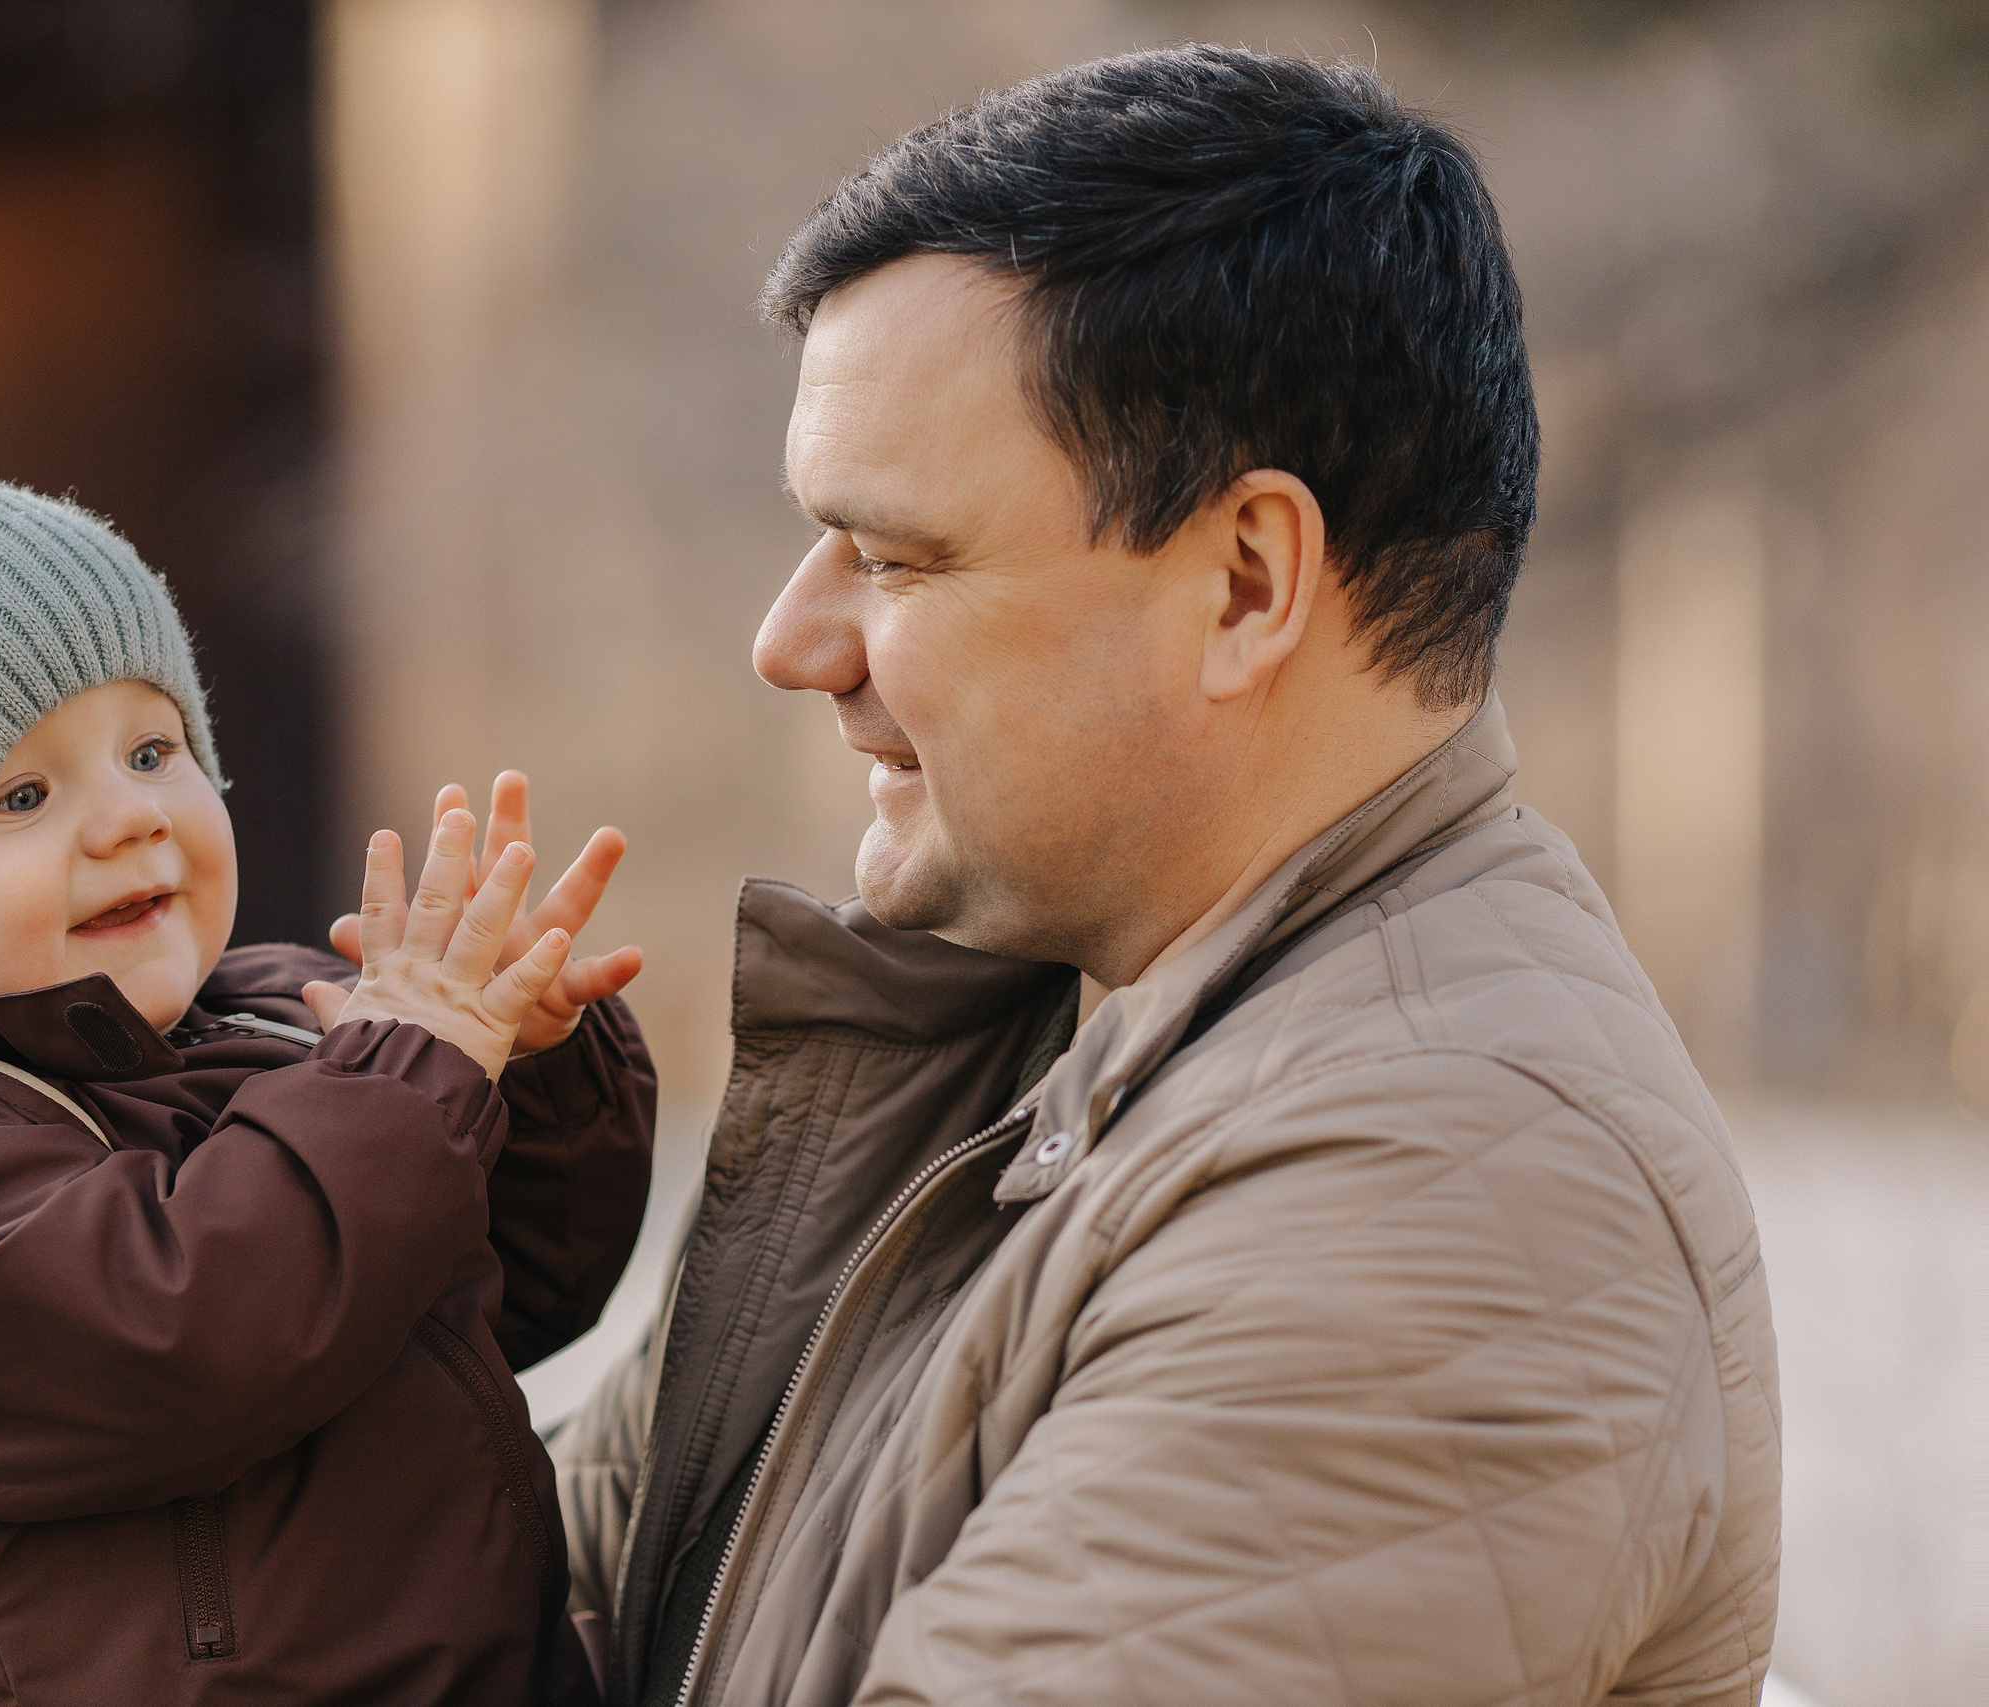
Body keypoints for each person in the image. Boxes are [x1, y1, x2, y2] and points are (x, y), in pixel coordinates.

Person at [548, 45, 1779, 1707]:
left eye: (897, 557)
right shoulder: (1013, 1039)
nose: (790, 642)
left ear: (1249, 584)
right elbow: (501, 1620)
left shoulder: (1452, 1176)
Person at [0, 334, 655, 1706]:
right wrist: (410, 1076)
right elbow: (192, 1331)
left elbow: (508, 1287)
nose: (132, 818)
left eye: (154, 750)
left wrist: (518, 1071)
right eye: (21, 799)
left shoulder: (280, 1030)